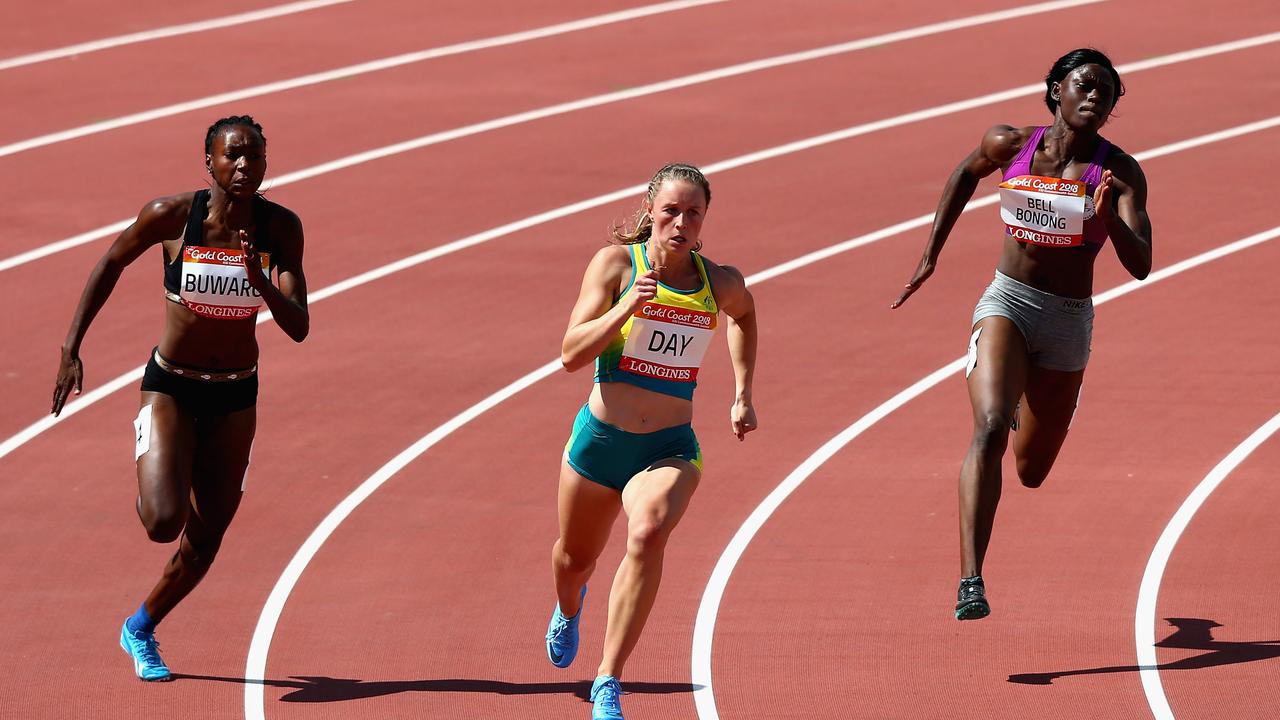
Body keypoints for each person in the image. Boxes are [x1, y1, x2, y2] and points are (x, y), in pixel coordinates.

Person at [890, 49, 1152, 620]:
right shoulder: (1011, 144)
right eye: (1085, 86)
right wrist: (929, 255)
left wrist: (1107, 218)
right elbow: (964, 173)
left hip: (1067, 318)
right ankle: (970, 581)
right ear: (1056, 89)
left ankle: (1016, 398)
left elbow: (1142, 265)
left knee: (1031, 471)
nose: (1095, 99)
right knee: (987, 429)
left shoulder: (1120, 173)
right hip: (1008, 300)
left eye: (1106, 94)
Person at [51, 115, 309, 679]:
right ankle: (162, 455)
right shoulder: (171, 216)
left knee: (206, 539)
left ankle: (139, 628)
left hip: (236, 395)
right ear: (209, 162)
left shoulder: (280, 229)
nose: (244, 166)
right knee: (163, 522)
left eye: (255, 157)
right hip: (171, 384)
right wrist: (72, 347)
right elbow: (110, 261)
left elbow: (299, 325)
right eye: (233, 156)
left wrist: (259, 279)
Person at [545, 163, 758, 719]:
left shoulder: (718, 283)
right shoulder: (618, 265)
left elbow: (745, 314)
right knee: (573, 561)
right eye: (671, 211)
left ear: (704, 219)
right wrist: (627, 307)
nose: (681, 222)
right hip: (599, 442)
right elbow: (570, 354)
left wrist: (741, 391)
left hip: (668, 449)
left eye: (693, 213)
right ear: (649, 210)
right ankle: (569, 609)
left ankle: (608, 680)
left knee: (648, 531)